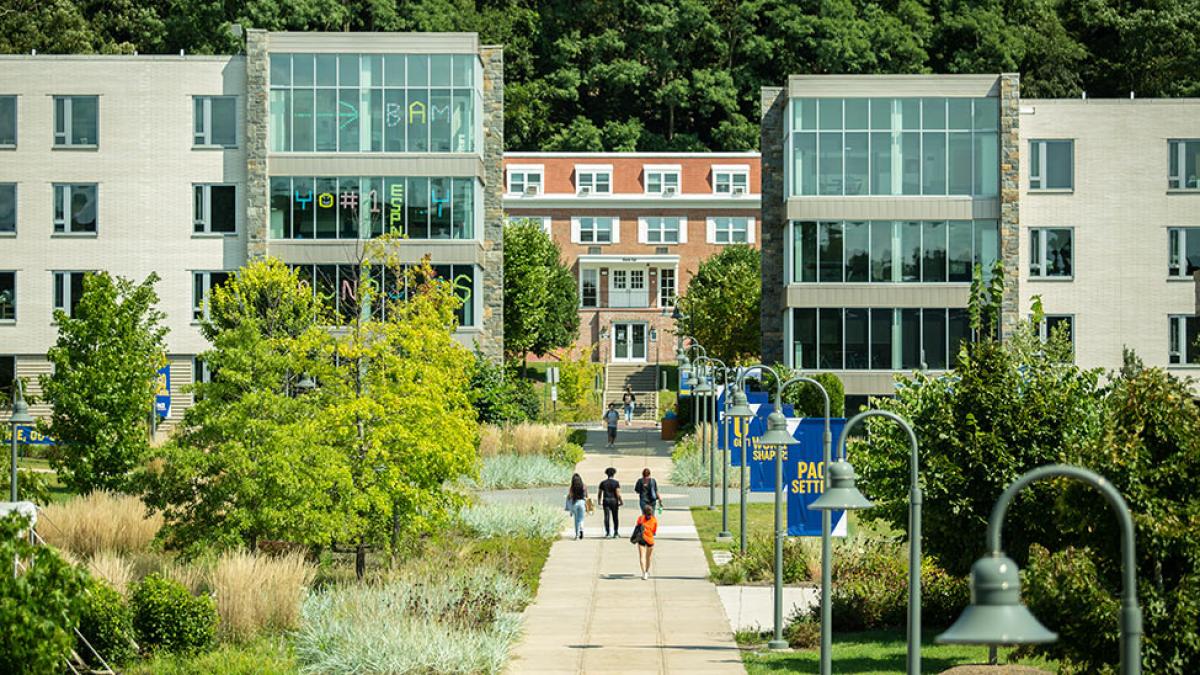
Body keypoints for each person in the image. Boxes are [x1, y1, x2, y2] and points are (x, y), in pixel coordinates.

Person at [634, 503, 658, 580]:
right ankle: (647, 571)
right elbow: (654, 531)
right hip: (650, 539)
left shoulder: (640, 518)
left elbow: (637, 526)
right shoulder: (654, 520)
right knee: (648, 557)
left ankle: (644, 573)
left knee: (642, 556)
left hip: (641, 538)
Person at [598, 467, 622, 538]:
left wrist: (599, 500)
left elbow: (600, 493)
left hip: (606, 500)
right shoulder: (616, 483)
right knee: (615, 517)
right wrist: (621, 501)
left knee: (606, 517)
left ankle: (608, 533)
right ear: (613, 474)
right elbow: (617, 493)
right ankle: (616, 532)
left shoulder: (603, 483)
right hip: (614, 500)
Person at [566, 473, 588, 540]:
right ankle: (581, 530)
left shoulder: (572, 487)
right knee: (581, 518)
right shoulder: (584, 486)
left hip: (575, 503)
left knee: (576, 520)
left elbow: (570, 496)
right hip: (582, 502)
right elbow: (586, 496)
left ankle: (577, 535)